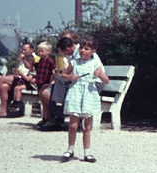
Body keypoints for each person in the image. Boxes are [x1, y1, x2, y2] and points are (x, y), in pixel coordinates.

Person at [60, 35, 109, 163]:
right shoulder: (74, 62)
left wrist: (100, 75)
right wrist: (71, 77)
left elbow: (106, 80)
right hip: (76, 93)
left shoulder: (95, 63)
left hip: (89, 93)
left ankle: (87, 152)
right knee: (73, 124)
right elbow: (63, 75)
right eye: (82, 48)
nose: (83, 51)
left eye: (87, 49)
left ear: (93, 51)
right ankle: (70, 149)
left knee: (87, 126)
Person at [43, 32, 80, 130]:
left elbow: (77, 73)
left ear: (68, 49)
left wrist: (64, 75)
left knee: (58, 81)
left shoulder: (80, 53)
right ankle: (55, 117)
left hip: (86, 82)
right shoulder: (73, 54)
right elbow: (67, 72)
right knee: (57, 81)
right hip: (76, 80)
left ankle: (57, 117)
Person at [26, 42, 56, 129]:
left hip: (45, 82)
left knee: (46, 101)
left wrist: (51, 81)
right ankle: (45, 118)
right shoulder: (40, 61)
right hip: (40, 82)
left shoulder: (50, 61)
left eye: (42, 51)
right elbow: (35, 70)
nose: (39, 53)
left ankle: (49, 117)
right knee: (42, 102)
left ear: (48, 51)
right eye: (38, 51)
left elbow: (53, 72)